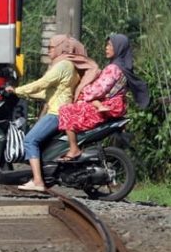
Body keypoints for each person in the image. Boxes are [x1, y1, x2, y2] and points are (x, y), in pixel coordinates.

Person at [5, 35, 99, 192]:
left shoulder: (63, 65)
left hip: (56, 113)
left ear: (62, 47)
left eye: (51, 47)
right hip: (60, 109)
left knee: (29, 140)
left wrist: (17, 90)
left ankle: (37, 181)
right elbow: (47, 94)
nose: (48, 50)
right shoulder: (69, 66)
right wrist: (20, 93)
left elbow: (42, 83)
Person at [57, 33, 150, 161]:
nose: (106, 48)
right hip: (112, 106)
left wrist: (82, 90)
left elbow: (98, 90)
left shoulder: (113, 68)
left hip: (105, 108)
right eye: (106, 45)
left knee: (65, 110)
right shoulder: (123, 67)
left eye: (110, 45)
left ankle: (74, 149)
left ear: (118, 48)